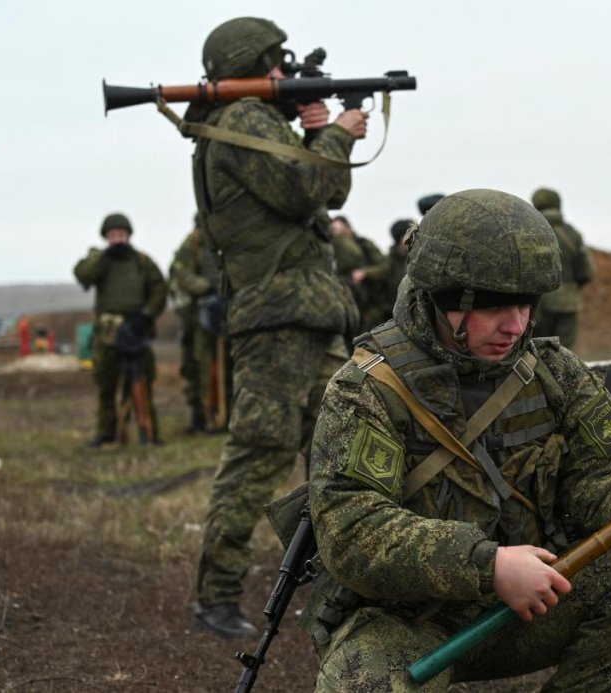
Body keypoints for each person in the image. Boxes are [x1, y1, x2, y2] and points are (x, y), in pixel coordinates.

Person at [298, 189, 611, 690]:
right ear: (444, 298)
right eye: (495, 308)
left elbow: (603, 477)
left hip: (527, 605)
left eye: (526, 305)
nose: (516, 326)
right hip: (406, 623)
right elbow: (353, 530)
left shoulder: (553, 374)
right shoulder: (368, 387)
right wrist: (488, 566)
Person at [187, 16, 367, 639]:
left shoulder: (253, 122)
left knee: (342, 456)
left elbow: (324, 193)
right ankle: (215, 597)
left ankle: (351, 585)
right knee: (259, 456)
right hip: (277, 323)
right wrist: (337, 133)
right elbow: (304, 188)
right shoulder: (241, 119)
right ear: (249, 65)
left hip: (305, 317)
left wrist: (318, 133)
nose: (281, 73)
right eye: (273, 63)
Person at [73, 213, 167, 447]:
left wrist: (147, 315)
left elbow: (159, 288)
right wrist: (102, 258)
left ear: (129, 235)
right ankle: (107, 433)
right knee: (106, 384)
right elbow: (83, 275)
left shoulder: (142, 262)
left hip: (136, 330)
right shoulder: (100, 261)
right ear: (106, 237)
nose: (118, 239)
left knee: (142, 382)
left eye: (121, 235)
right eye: (113, 235)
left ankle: (149, 432)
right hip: (108, 333)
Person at [168, 215, 227, 433]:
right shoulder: (193, 242)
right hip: (201, 313)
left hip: (230, 308)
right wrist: (207, 288)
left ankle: (227, 413)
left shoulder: (233, 234)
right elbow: (181, 273)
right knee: (199, 363)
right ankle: (203, 414)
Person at [530, 187, 595, 350]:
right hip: (567, 302)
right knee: (565, 353)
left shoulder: (528, 232)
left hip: (536, 304)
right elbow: (586, 272)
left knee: (535, 350)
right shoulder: (572, 234)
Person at [329, 214, 387, 333]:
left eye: (338, 230)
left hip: (371, 300)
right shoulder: (332, 248)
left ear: (348, 227)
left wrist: (365, 272)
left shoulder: (363, 245)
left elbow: (384, 267)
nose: (337, 234)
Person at [350, 217, 414, 324]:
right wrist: (365, 273)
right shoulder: (392, 259)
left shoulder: (417, 255)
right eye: (409, 235)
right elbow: (383, 270)